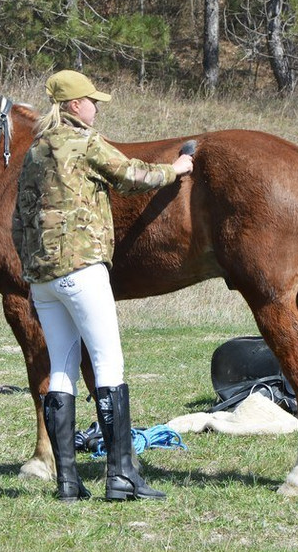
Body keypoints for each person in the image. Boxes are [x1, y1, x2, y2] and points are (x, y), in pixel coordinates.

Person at [12, 69, 193, 502]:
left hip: (43, 279)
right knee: (109, 365)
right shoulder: (85, 142)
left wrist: (32, 265)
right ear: (75, 106)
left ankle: (68, 482)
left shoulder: (35, 153)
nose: (96, 107)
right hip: (83, 270)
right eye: (92, 101)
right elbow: (131, 175)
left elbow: (19, 219)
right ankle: (121, 475)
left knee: (60, 368)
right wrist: (177, 168)